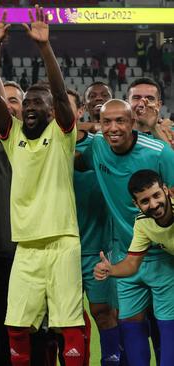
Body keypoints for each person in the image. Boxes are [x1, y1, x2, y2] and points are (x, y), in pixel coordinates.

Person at [0, 7, 85, 364]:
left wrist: (44, 47)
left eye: (36, 103)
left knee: (68, 325)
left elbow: (61, 95)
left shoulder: (62, 136)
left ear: (50, 110)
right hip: (25, 247)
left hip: (62, 243)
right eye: (26, 103)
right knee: (16, 326)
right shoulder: (12, 138)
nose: (29, 107)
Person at [75, 98, 174, 365]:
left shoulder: (159, 152)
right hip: (126, 254)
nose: (113, 128)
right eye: (107, 122)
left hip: (164, 256)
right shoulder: (97, 148)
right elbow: (76, 161)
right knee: (130, 326)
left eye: (121, 121)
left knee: (167, 329)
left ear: (133, 123)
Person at [93, 169, 174, 364]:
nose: (154, 204)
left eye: (156, 195)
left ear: (166, 190)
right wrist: (110, 269)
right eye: (145, 201)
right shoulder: (143, 223)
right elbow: (132, 263)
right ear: (136, 204)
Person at [73, 83, 121, 365]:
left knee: (104, 312)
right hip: (59, 249)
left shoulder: (102, 145)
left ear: (80, 110)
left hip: (99, 248)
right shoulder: (45, 145)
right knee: (62, 318)